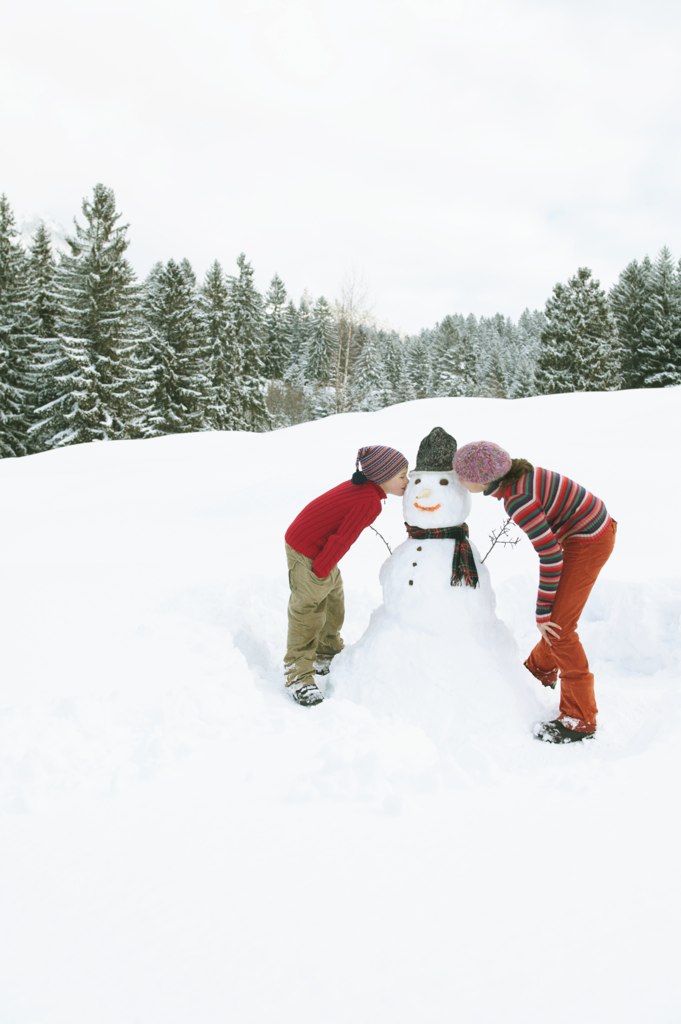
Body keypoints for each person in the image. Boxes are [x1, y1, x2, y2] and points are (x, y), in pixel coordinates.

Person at [453, 441, 616, 743]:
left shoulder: (519, 499)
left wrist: (542, 612)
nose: (458, 481)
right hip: (588, 530)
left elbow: (551, 555)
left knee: (559, 628)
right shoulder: (518, 476)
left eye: (462, 476)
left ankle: (579, 719)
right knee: (557, 622)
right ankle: (538, 672)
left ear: (483, 478)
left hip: (589, 540)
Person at [284, 445, 409, 706]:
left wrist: (325, 569)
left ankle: (326, 651)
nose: (406, 481)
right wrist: (321, 570)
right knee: (308, 608)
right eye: (401, 476)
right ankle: (298, 674)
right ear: (382, 475)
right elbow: (343, 539)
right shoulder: (369, 501)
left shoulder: (364, 489)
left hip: (316, 546)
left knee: (333, 598)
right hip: (307, 548)